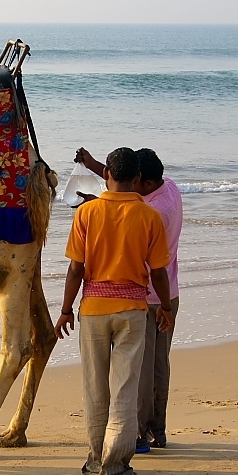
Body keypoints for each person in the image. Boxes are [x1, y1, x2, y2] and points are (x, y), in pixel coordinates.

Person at [55, 147, 174, 475]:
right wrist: (165, 308)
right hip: (133, 311)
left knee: (95, 388)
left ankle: (95, 460)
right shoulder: (149, 215)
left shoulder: (87, 213)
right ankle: (116, 466)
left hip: (92, 309)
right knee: (124, 390)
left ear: (106, 173)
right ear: (137, 178)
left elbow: (76, 268)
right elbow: (159, 273)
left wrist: (65, 310)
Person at [76, 147, 183, 451]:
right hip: (168, 294)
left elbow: (151, 264)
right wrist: (95, 165)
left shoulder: (154, 214)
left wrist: (98, 208)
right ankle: (157, 429)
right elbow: (123, 183)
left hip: (147, 297)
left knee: (140, 373)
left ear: (145, 183)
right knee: (159, 364)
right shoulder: (169, 188)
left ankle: (140, 432)